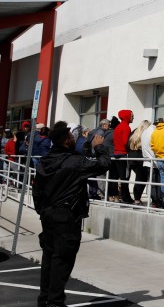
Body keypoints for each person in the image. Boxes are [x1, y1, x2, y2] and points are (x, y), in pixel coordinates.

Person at [33, 121, 111, 307]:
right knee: (62, 260)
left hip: (49, 215)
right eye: (70, 136)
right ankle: (55, 302)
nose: (73, 138)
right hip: (66, 217)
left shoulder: (47, 160)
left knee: (50, 258)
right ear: (66, 141)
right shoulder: (74, 162)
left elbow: (37, 191)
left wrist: (42, 211)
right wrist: (99, 147)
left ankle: (45, 299)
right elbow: (103, 164)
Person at [111, 110, 134, 204]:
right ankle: (126, 197)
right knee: (124, 177)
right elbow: (125, 142)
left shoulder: (118, 127)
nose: (133, 117)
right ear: (127, 116)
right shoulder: (126, 127)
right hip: (123, 154)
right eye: (131, 115)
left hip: (115, 154)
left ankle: (114, 196)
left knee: (114, 177)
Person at [127, 120, 150, 205]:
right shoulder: (147, 133)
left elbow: (127, 145)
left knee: (139, 178)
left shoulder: (135, 132)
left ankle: (137, 198)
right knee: (141, 179)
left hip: (131, 158)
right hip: (140, 158)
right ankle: (137, 199)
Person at [140, 120, 162, 208]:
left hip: (147, 161)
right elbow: (154, 147)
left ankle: (155, 201)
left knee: (153, 183)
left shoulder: (146, 131)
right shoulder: (154, 132)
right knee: (157, 183)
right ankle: (157, 201)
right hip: (154, 161)